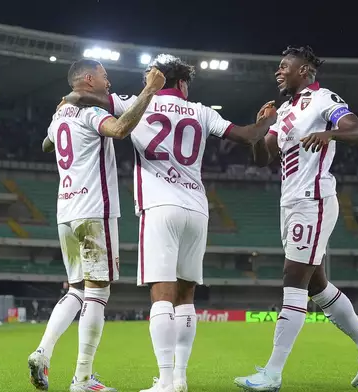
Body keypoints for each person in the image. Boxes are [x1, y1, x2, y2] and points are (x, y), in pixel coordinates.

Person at [64, 54, 276, 392]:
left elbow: (85, 98)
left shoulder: (137, 103)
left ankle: (164, 381)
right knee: (186, 297)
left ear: (162, 79)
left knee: (161, 297)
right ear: (183, 83)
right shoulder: (202, 112)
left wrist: (71, 99)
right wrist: (266, 121)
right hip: (197, 208)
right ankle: (180, 379)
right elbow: (249, 135)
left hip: (160, 207)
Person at [234, 46, 358, 390]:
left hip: (314, 199)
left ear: (304, 70)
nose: (278, 72)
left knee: (294, 281)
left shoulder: (323, 100)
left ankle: (272, 373)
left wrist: (329, 133)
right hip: (289, 202)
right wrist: (261, 129)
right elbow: (263, 158)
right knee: (316, 284)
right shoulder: (286, 109)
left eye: (284, 66)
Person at [27, 58, 166, 392]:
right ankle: (83, 379)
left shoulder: (61, 115)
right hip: (94, 210)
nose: (109, 80)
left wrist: (63, 107)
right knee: (98, 293)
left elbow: (47, 144)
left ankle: (43, 353)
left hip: (66, 212)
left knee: (76, 289)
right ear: (88, 80)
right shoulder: (90, 113)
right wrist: (149, 90)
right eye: (104, 76)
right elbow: (119, 130)